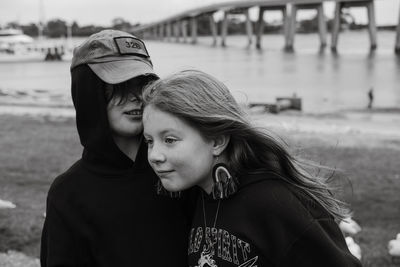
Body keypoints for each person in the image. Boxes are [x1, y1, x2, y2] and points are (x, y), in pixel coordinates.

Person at [142, 70, 363, 267]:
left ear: (217, 141)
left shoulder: (277, 203)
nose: (154, 156)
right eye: (149, 141)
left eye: (170, 140)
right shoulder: (199, 197)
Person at [40, 30, 190, 267]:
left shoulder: (180, 168)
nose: (135, 96)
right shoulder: (68, 193)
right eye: (119, 85)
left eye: (142, 83)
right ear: (89, 93)